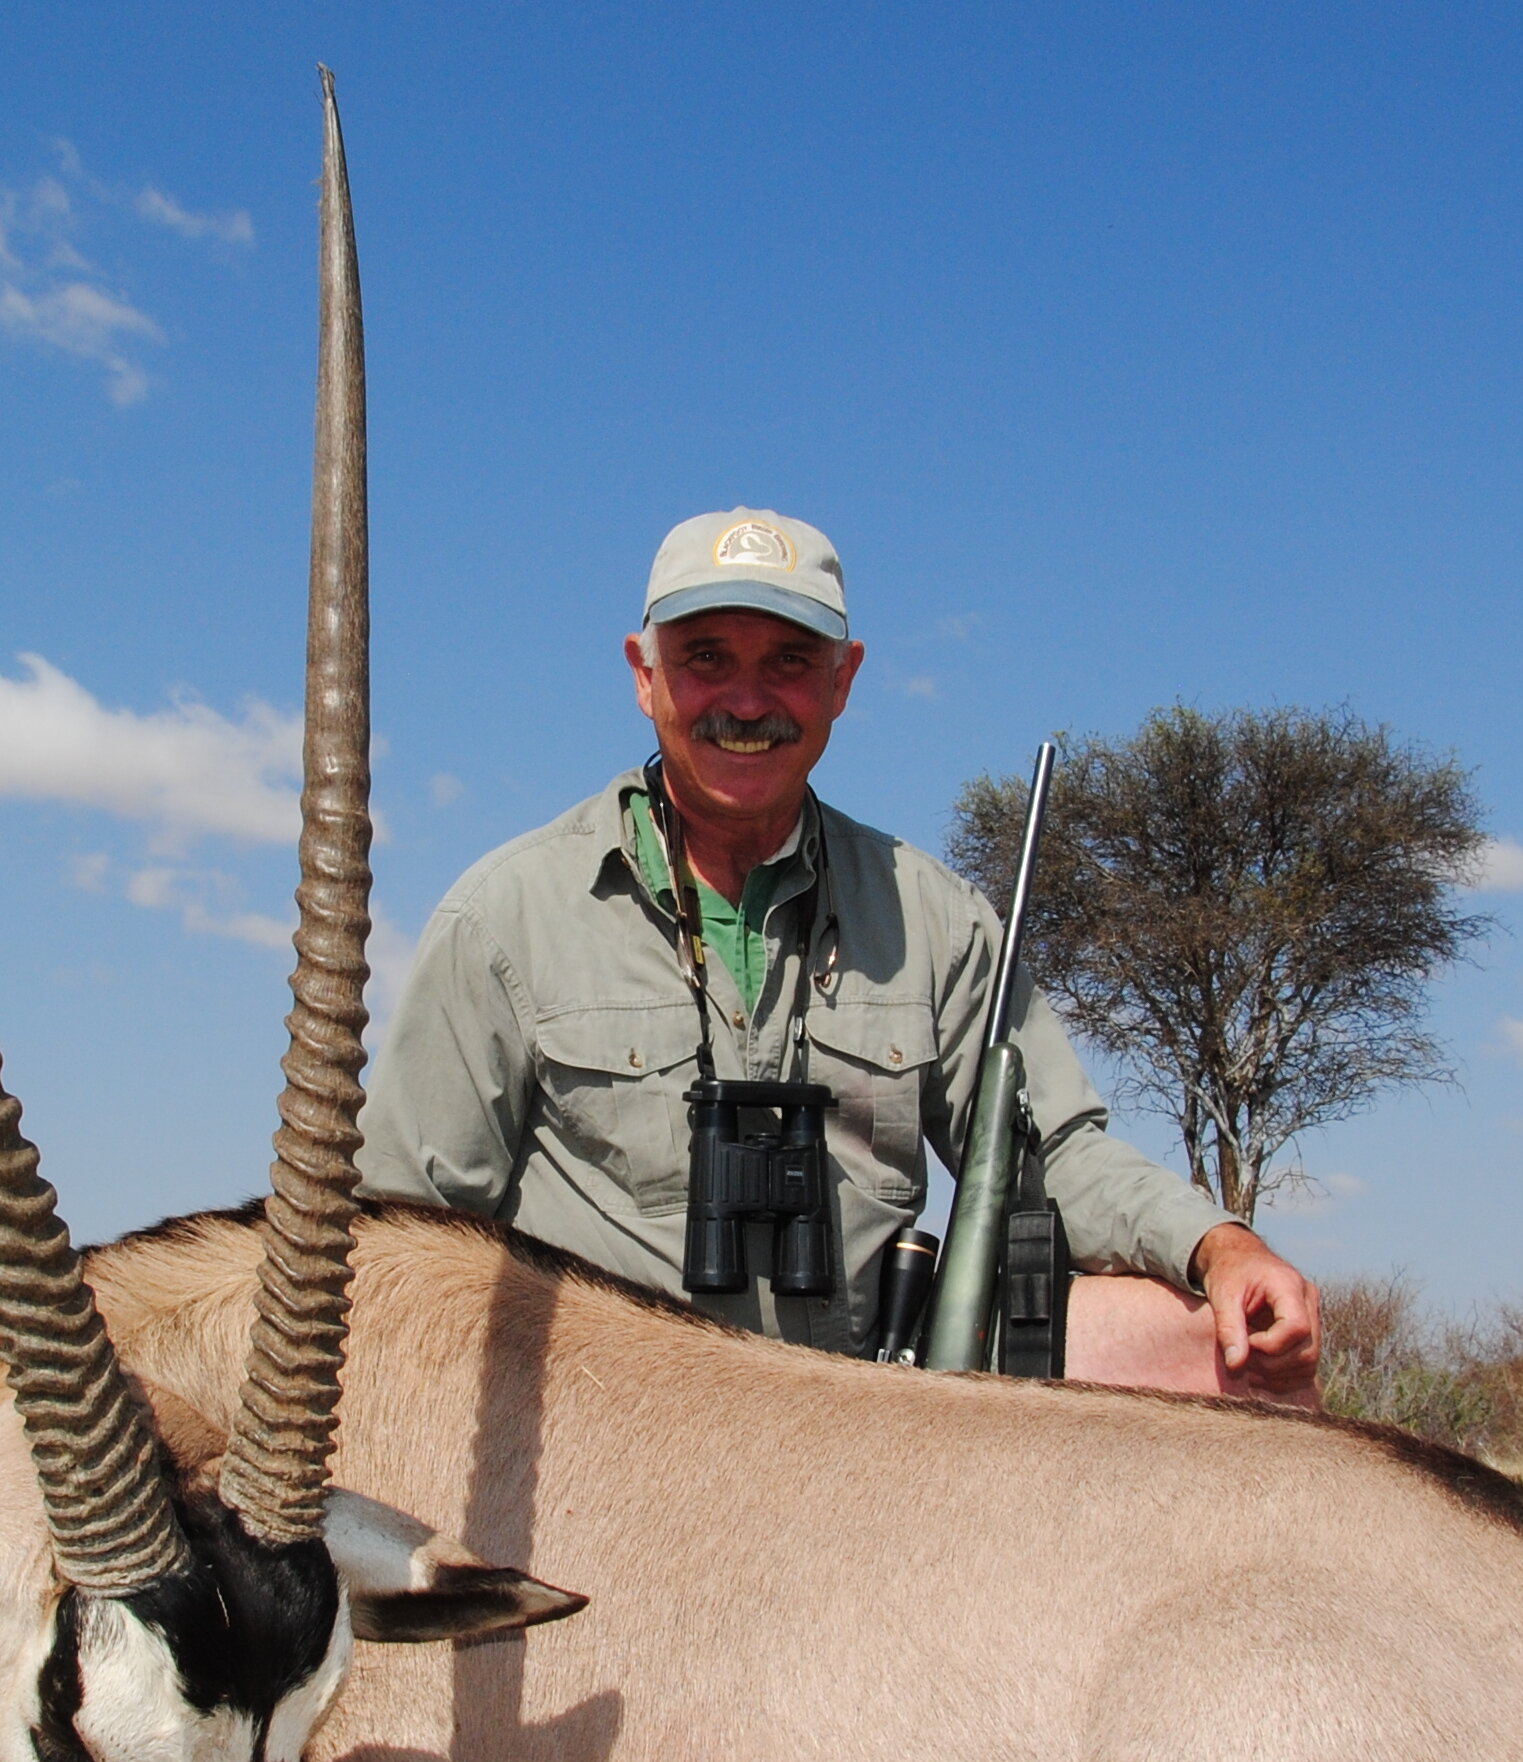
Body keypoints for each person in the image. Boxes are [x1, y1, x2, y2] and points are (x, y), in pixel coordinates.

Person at [357, 506, 1322, 1403]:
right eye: (705, 658)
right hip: (606, 1418)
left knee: (1228, 1355)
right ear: (643, 672)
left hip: (863, 1407)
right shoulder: (503, 917)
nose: (745, 699)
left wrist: (1221, 1246)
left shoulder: (937, 917)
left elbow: (1059, 1152)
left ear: (842, 681)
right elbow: (398, 1239)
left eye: (787, 660)